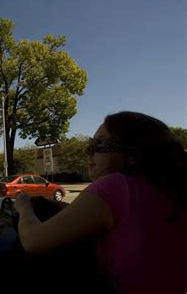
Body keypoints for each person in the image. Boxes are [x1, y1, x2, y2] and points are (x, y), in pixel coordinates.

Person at [14, 111, 186, 294]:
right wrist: (58, 205)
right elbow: (118, 221)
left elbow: (33, 241)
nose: (88, 151)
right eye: (91, 143)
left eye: (99, 144)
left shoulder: (117, 185)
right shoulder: (167, 190)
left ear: (132, 155)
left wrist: (24, 206)